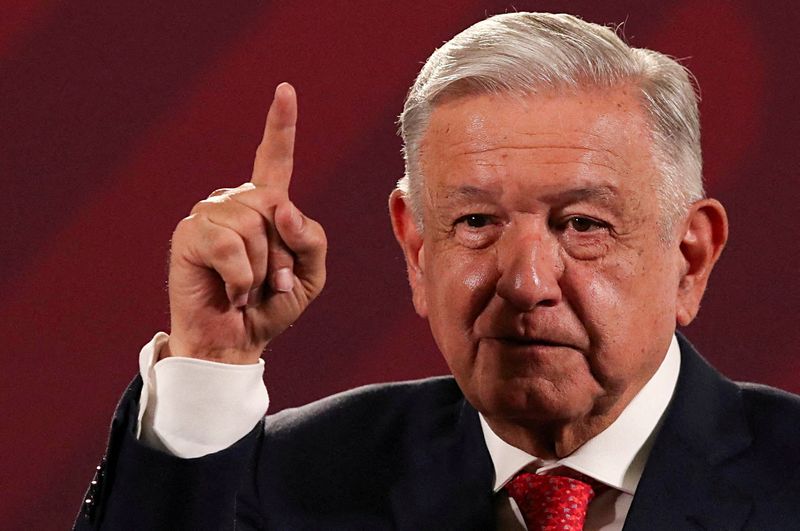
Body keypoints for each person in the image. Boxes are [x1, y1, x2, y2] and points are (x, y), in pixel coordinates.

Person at [74, 12, 800, 530]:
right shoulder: (284, 480)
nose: (525, 282)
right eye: (477, 222)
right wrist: (211, 359)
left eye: (583, 224)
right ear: (417, 250)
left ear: (691, 257)